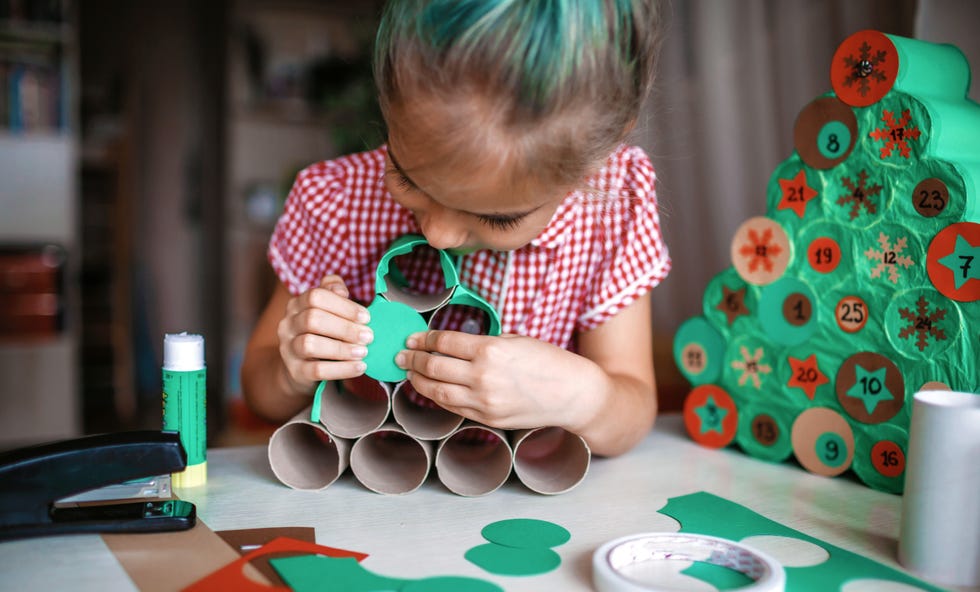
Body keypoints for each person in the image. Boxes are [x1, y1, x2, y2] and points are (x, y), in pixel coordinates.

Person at [241, 0, 670, 457]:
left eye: (497, 217)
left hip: (530, 494)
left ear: (595, 161)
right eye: (408, 178)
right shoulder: (334, 202)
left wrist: (584, 397)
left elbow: (633, 409)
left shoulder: (611, 206)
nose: (439, 236)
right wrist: (291, 369)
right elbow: (259, 388)